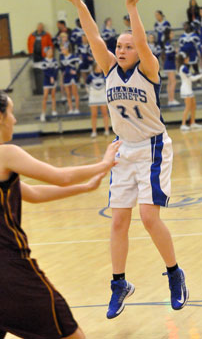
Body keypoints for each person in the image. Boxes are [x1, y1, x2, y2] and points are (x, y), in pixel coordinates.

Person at [59, 0, 189, 319]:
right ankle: (119, 284)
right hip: (122, 149)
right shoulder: (109, 69)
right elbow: (93, 37)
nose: (121, 50)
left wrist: (131, 7)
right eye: (119, 45)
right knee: (118, 222)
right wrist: (80, 6)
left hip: (152, 147)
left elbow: (144, 43)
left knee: (148, 217)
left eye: (127, 46)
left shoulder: (149, 69)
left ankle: (174, 273)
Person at [0, 89, 120, 339]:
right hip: (10, 270)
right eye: (11, 113)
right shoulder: (6, 153)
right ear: (0, 117)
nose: (14, 119)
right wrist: (105, 164)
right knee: (73, 335)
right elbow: (60, 176)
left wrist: (85, 187)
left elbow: (31, 193)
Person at [177, 51, 202, 131]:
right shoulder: (183, 68)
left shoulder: (183, 67)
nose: (189, 59)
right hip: (186, 90)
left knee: (193, 106)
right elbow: (192, 78)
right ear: (184, 59)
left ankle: (193, 123)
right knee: (188, 107)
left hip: (188, 89)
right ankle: (183, 124)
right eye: (187, 58)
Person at [27, 23, 53, 95]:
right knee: (37, 74)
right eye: (39, 27)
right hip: (35, 57)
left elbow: (50, 45)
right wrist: (31, 53)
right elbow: (29, 44)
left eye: (41, 27)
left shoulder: (46, 35)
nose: (40, 28)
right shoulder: (32, 35)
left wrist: (49, 54)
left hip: (44, 56)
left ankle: (46, 90)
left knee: (45, 73)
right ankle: (39, 90)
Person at [86, 62, 109, 138]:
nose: (100, 68)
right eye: (99, 66)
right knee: (94, 115)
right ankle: (94, 132)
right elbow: (87, 86)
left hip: (102, 96)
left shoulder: (104, 75)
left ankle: (106, 130)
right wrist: (90, 93)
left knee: (105, 114)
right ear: (95, 67)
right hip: (93, 97)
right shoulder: (90, 76)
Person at [60, 45, 81, 114]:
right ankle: (70, 109)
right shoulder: (62, 58)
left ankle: (77, 108)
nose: (62, 51)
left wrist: (76, 72)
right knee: (68, 94)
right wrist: (63, 73)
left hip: (73, 77)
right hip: (66, 77)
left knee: (75, 93)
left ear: (67, 49)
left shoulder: (73, 57)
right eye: (61, 49)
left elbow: (79, 65)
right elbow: (62, 68)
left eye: (63, 49)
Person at [40, 47, 58, 122]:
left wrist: (53, 77)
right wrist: (50, 77)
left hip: (53, 80)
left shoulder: (54, 60)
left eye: (51, 51)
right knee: (45, 96)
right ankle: (43, 113)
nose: (51, 53)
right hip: (47, 81)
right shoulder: (44, 61)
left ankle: (54, 110)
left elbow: (56, 70)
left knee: (53, 95)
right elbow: (45, 71)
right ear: (46, 53)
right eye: (49, 51)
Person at [162, 28, 179, 106]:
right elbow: (169, 55)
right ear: (168, 34)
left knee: (170, 82)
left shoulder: (167, 43)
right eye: (171, 33)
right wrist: (175, 52)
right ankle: (171, 100)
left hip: (168, 64)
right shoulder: (168, 43)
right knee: (173, 82)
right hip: (169, 64)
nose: (173, 35)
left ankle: (170, 100)